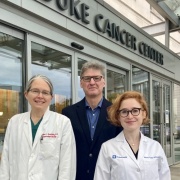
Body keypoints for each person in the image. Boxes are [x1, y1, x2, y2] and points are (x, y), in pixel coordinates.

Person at [0, 74, 76, 180]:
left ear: (51, 97)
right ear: (26, 94)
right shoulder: (15, 122)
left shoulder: (63, 123)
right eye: (35, 91)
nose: (40, 96)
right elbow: (5, 162)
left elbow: (67, 167)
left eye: (45, 92)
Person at [62, 61, 122, 180]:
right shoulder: (68, 113)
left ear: (103, 82)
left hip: (108, 175)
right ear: (81, 83)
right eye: (87, 78)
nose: (92, 82)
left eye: (97, 78)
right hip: (77, 176)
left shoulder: (116, 112)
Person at [94, 91, 171, 180]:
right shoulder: (107, 148)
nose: (130, 116)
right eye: (124, 111)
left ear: (144, 114)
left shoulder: (155, 147)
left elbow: (165, 177)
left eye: (135, 110)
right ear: (118, 116)